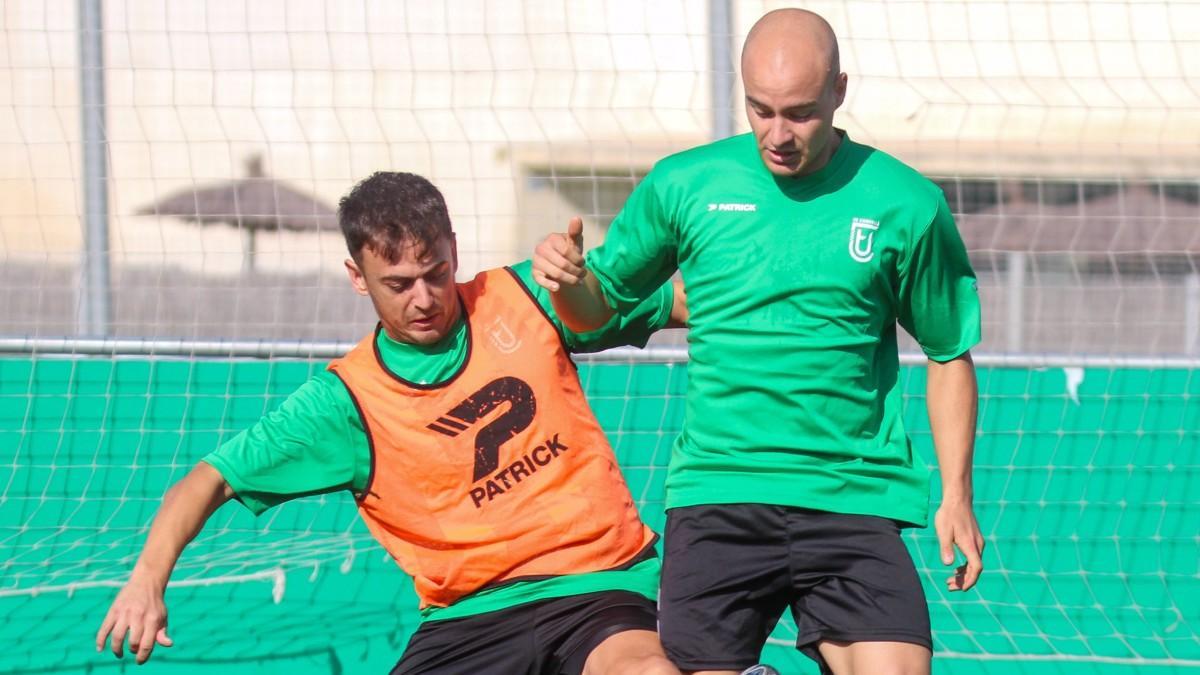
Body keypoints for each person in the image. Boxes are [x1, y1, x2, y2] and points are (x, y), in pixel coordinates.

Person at [532, 8, 984, 675]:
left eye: (799, 112)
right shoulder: (685, 185)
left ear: (839, 91)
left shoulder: (904, 202)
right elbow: (594, 313)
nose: (777, 133)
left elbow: (948, 352)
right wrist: (569, 281)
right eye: (759, 109)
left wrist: (957, 495)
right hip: (720, 492)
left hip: (850, 493)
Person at [95, 171, 687, 675]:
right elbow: (211, 479)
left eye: (436, 272)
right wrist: (147, 580)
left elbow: (681, 302)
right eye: (399, 285)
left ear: (454, 248)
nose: (425, 297)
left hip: (598, 587)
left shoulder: (528, 294)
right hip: (467, 619)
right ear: (358, 277)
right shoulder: (345, 402)